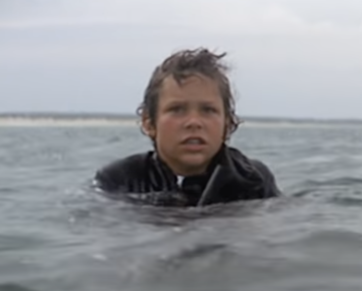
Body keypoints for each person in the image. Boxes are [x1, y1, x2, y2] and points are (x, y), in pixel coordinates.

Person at [93, 48, 281, 207]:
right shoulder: (119, 179)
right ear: (149, 123)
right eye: (177, 110)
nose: (194, 122)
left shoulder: (252, 179)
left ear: (228, 124)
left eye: (208, 110)